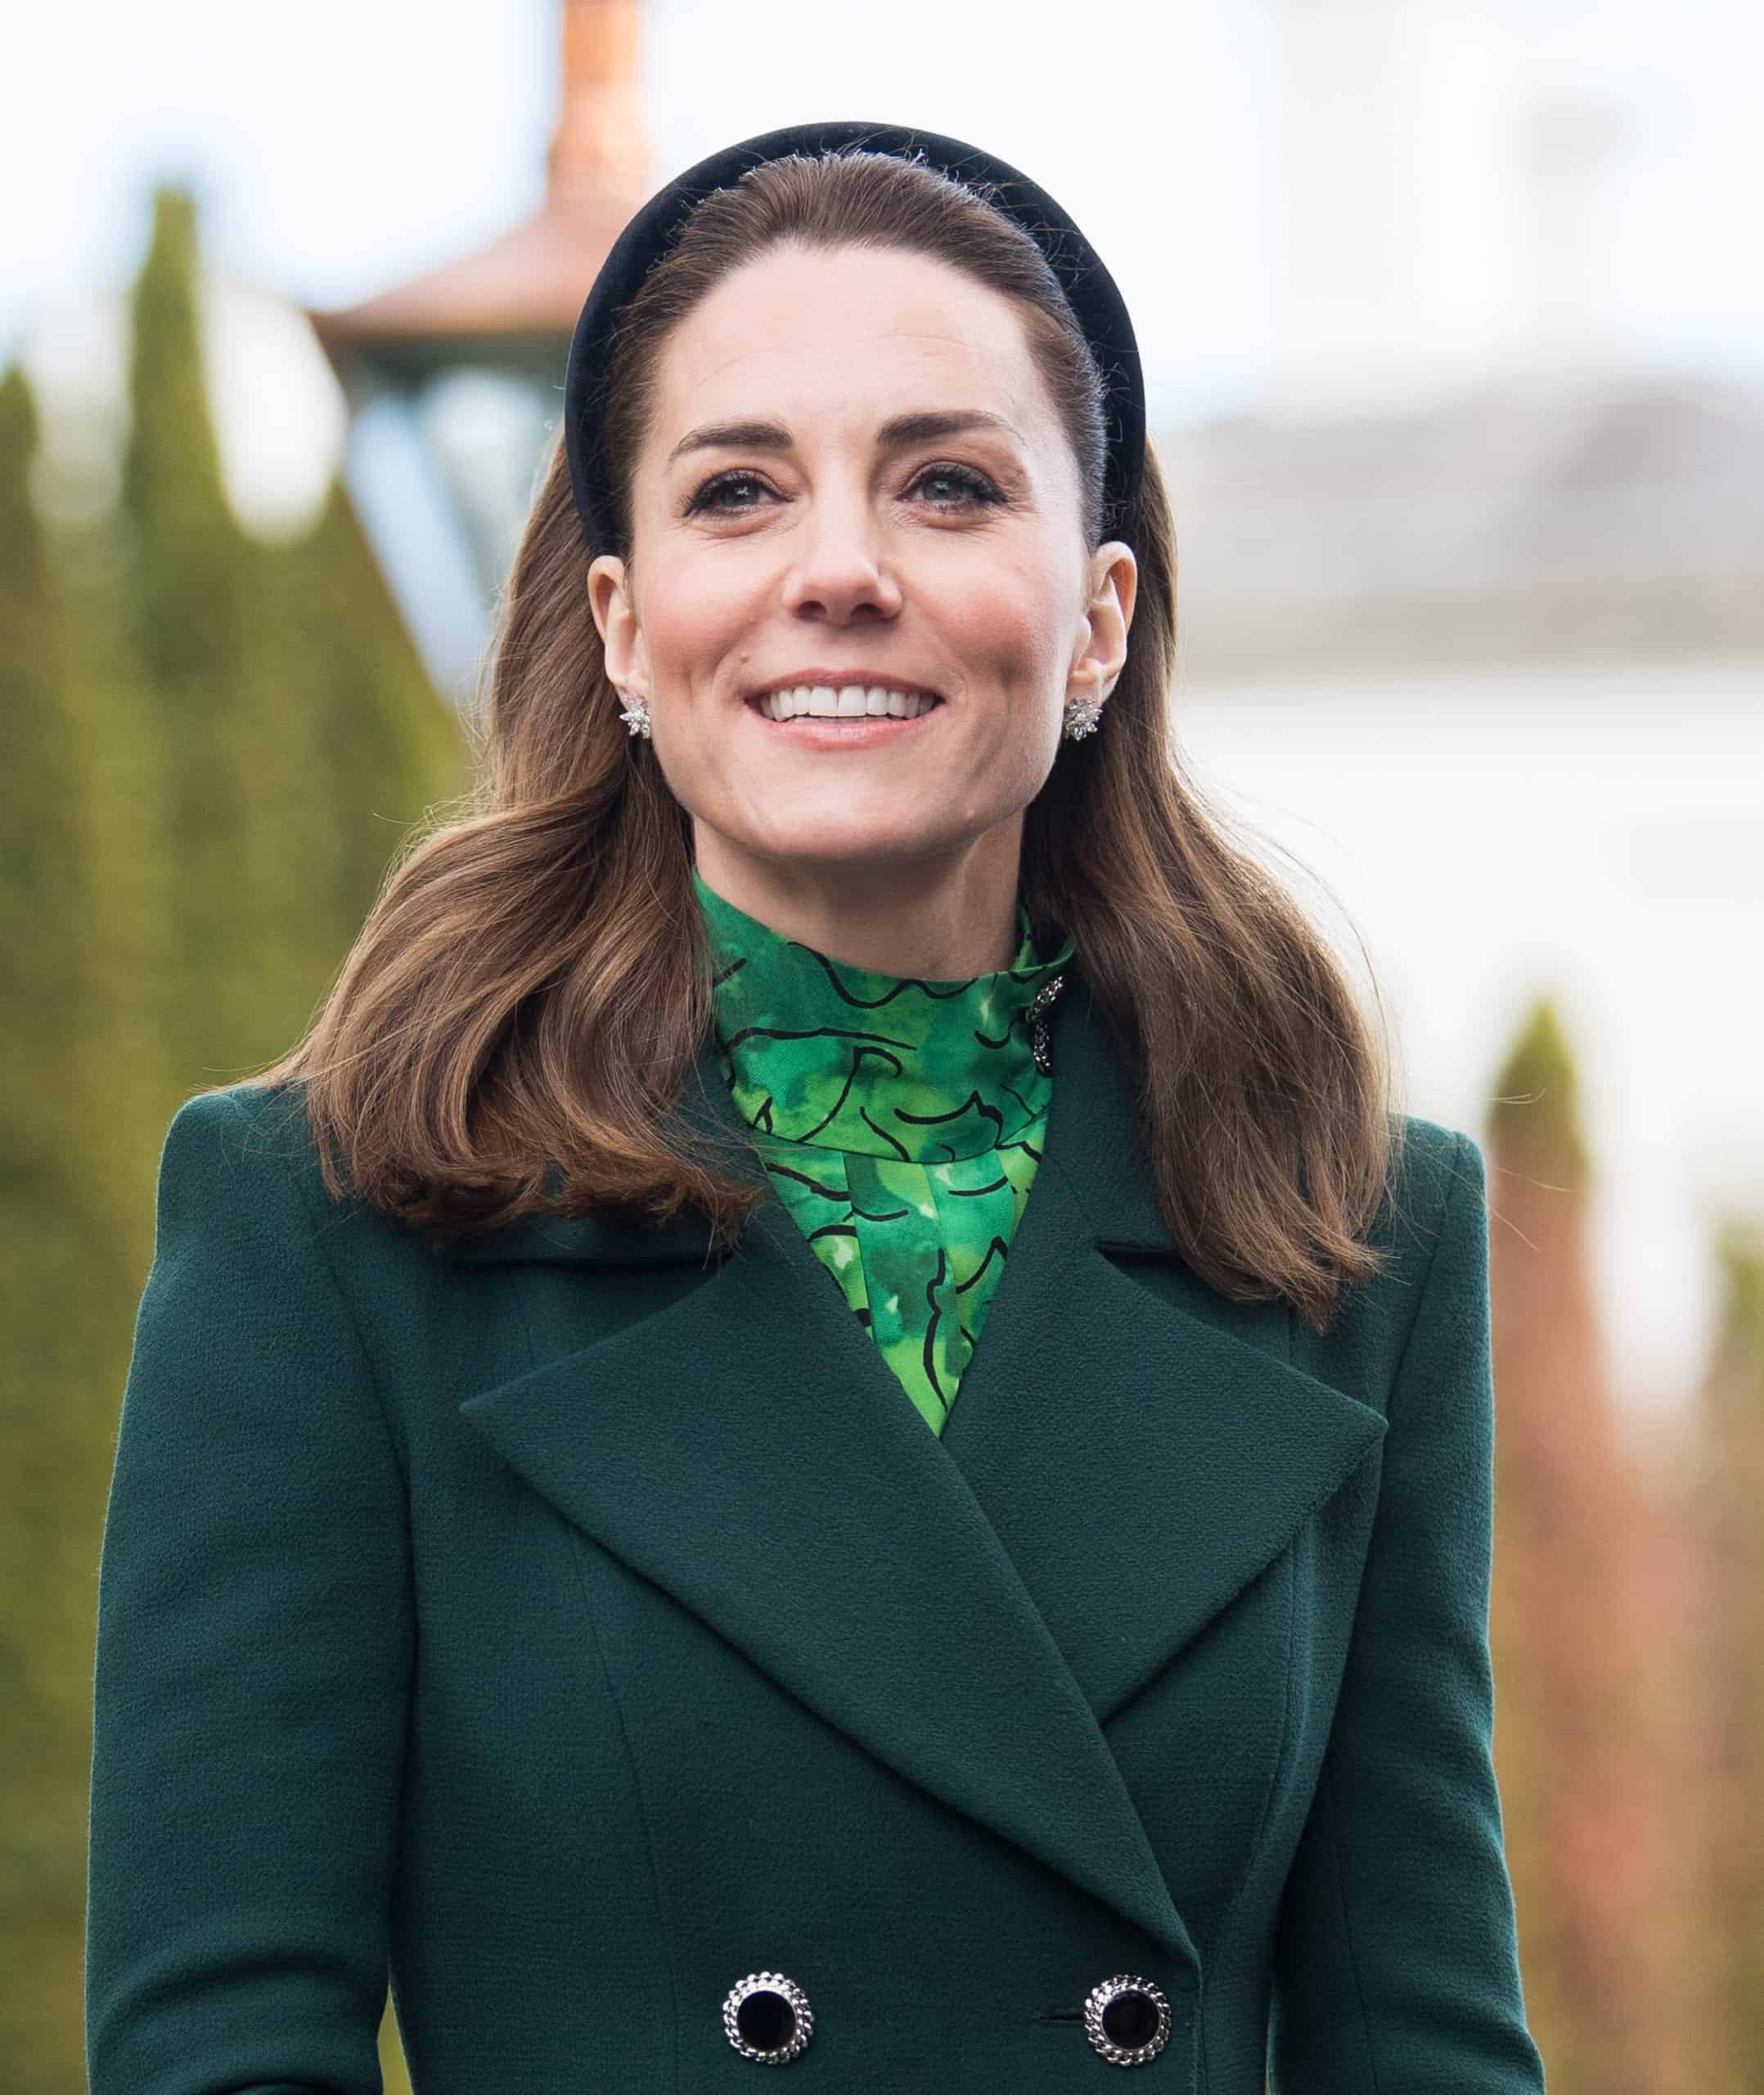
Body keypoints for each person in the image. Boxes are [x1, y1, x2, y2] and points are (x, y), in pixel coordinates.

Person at [84, 122, 1549, 2093]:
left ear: (1098, 614)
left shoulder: (1342, 1228)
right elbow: (224, 2046)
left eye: (947, 484)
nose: (838, 571)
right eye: (737, 490)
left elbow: (1425, 2043)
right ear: (622, 620)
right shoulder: (336, 1219)